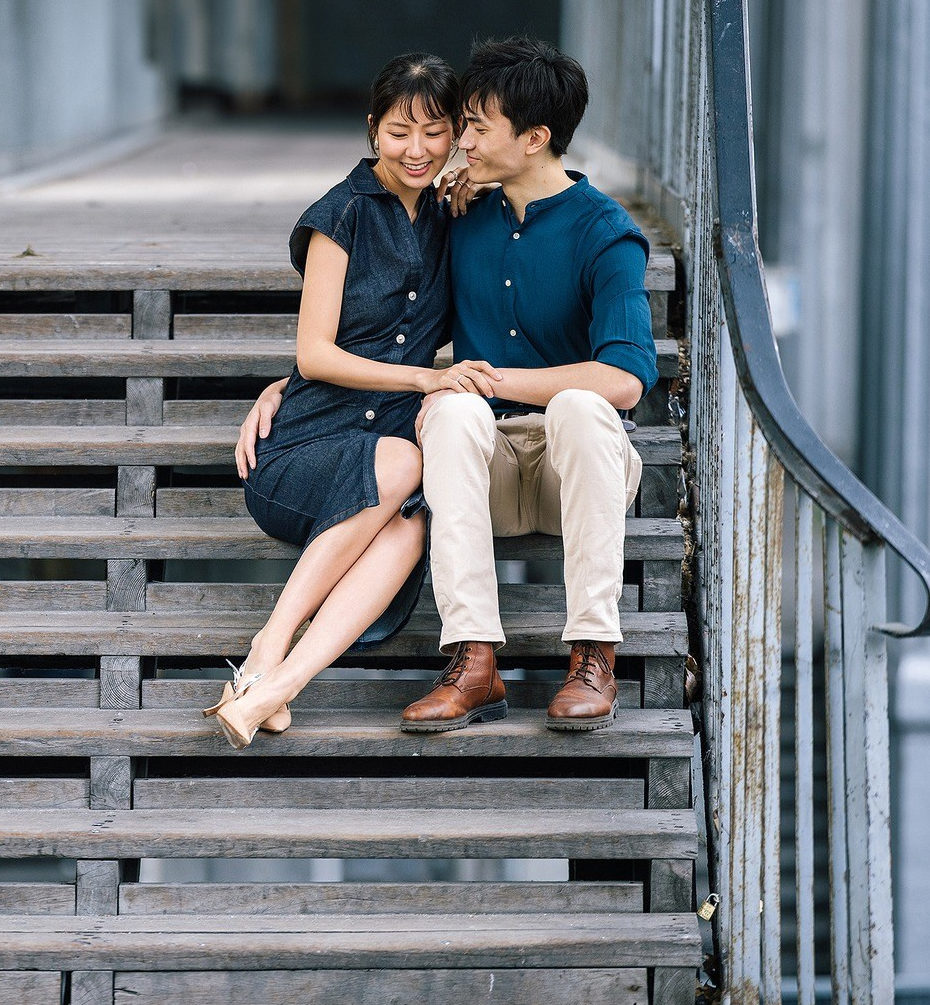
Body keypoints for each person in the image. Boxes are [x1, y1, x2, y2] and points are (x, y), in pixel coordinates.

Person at [237, 37, 658, 733]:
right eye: (454, 124)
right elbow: (383, 322)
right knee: (454, 413)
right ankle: (472, 661)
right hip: (475, 467)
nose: (457, 141)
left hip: (573, 472)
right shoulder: (458, 216)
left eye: (473, 126)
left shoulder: (606, 233)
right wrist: (290, 384)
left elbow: (625, 380)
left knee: (581, 406)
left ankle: (592, 656)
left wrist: (494, 381)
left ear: (534, 139)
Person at [210, 54, 497, 749]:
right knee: (403, 464)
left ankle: (275, 688)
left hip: (382, 465)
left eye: (435, 132)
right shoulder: (338, 216)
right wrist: (426, 380)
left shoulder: (452, 215)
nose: (418, 149)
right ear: (373, 129)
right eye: (401, 131)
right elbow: (315, 355)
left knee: (414, 522)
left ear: (457, 133)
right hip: (303, 453)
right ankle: (267, 643)